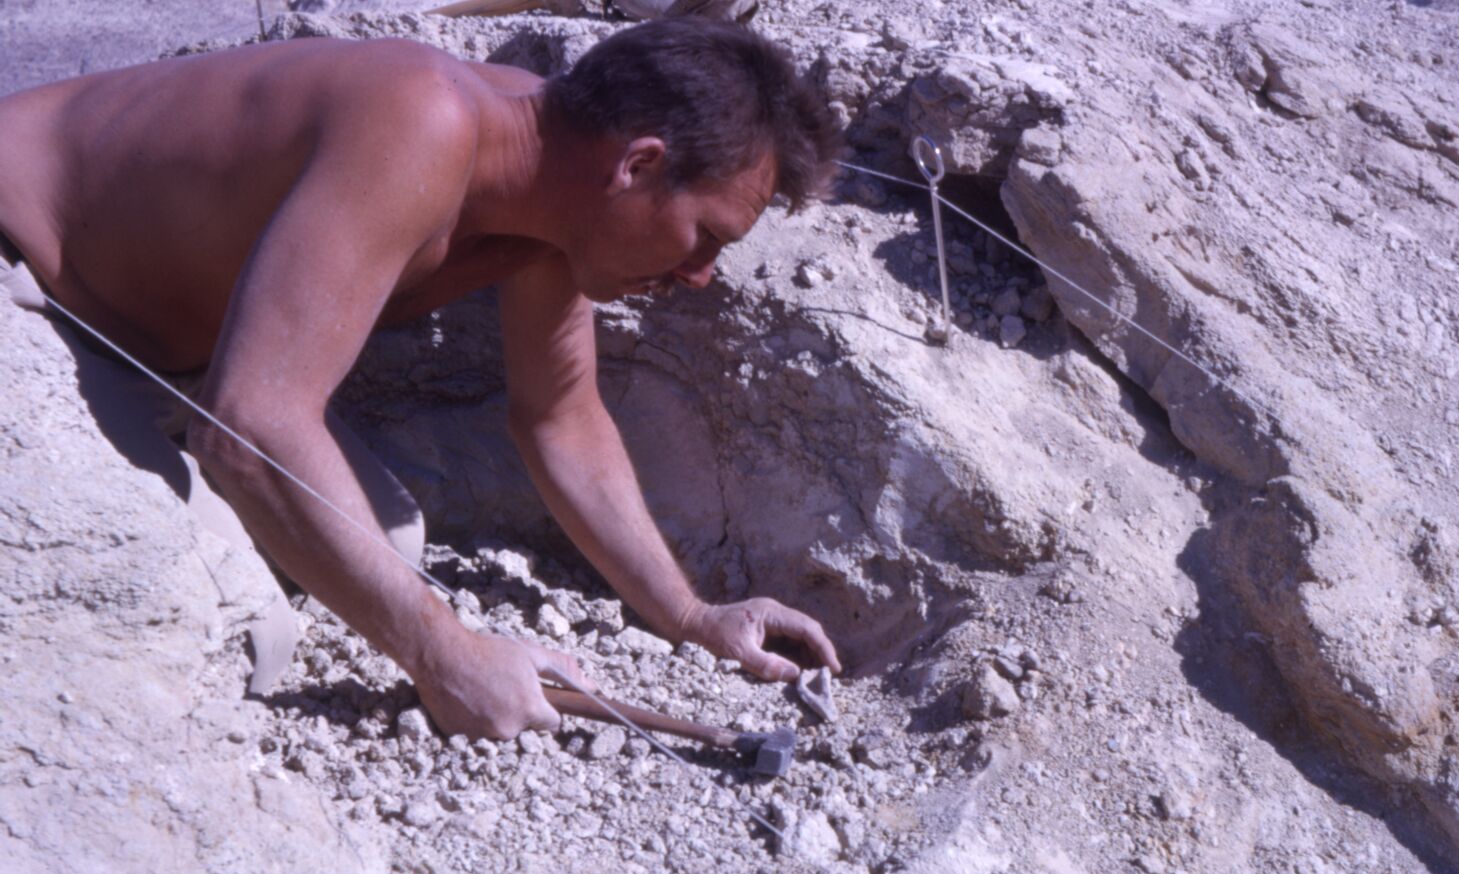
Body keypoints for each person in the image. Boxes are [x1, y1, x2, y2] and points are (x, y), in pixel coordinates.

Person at [0, 17, 844, 739]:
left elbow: (559, 416)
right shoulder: (423, 120)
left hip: (158, 363)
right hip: (26, 288)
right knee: (244, 627)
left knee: (386, 550)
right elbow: (249, 427)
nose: (700, 274)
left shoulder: (552, 199)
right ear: (639, 165)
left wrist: (693, 618)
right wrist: (444, 655)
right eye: (706, 237)